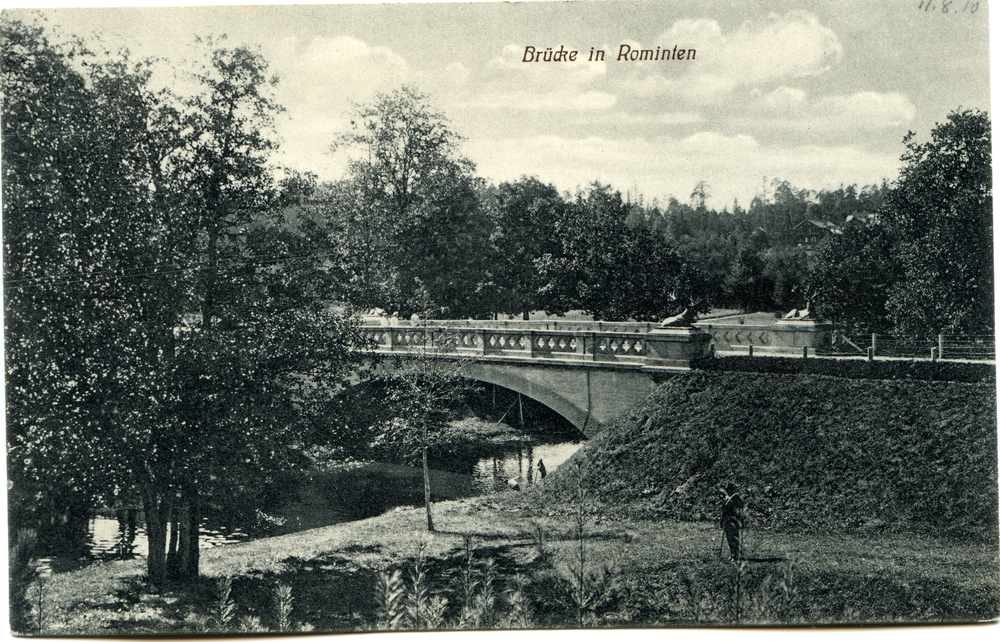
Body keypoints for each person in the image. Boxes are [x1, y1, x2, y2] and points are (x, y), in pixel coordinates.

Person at [720, 482, 745, 560]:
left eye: (730, 489)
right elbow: (724, 511)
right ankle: (732, 554)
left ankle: (736, 556)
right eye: (728, 490)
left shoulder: (736, 498)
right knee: (729, 538)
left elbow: (740, 510)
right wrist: (722, 520)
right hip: (728, 521)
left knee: (734, 538)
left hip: (734, 521)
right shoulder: (727, 498)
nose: (728, 491)